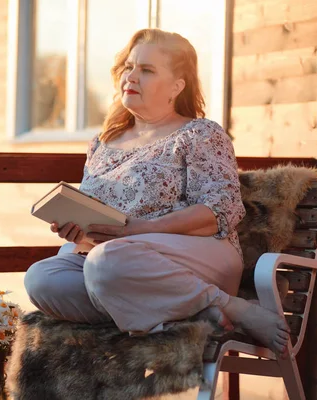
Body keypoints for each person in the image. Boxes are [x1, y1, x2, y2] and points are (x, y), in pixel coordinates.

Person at [24, 28, 290, 356]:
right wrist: (78, 232)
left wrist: (142, 230)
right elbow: (100, 226)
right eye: (128, 67)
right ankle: (185, 312)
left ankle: (229, 305)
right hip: (116, 266)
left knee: (107, 262)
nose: (131, 76)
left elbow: (222, 211)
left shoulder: (200, 134)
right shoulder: (102, 143)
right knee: (42, 278)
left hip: (194, 253)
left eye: (147, 70)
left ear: (177, 86)